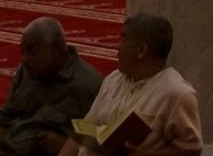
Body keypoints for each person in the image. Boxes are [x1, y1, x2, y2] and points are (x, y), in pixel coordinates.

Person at [0, 17, 101, 156]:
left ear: (55, 50)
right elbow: (4, 120)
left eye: (32, 51)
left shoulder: (88, 85)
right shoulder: (27, 72)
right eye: (23, 51)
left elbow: (98, 147)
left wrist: (63, 144)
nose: (24, 59)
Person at [74, 15, 200, 155]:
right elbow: (87, 127)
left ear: (141, 50)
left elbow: (192, 149)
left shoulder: (177, 93)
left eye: (123, 39)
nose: (117, 46)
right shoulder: (113, 79)